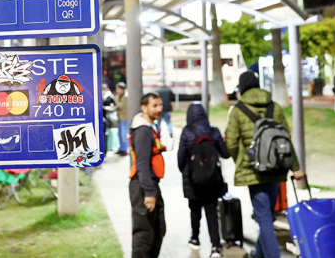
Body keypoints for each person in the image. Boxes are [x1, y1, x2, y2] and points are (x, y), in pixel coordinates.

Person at [226, 72, 303, 258]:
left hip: (255, 171)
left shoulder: (238, 110)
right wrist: (295, 166)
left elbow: (231, 142)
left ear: (241, 88)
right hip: (276, 168)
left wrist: (241, 161)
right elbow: (285, 137)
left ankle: (272, 256)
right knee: (267, 214)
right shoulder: (274, 107)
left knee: (264, 218)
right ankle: (260, 253)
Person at [178, 102, 229, 258]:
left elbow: (181, 157)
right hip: (212, 179)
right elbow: (225, 153)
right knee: (212, 211)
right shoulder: (213, 131)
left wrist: (185, 172)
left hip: (193, 181)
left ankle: (195, 238)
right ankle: (215, 246)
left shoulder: (187, 132)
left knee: (194, 210)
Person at [129, 92, 167, 258]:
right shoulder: (143, 131)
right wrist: (149, 193)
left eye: (160, 105)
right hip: (143, 185)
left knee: (158, 230)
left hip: (150, 183)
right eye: (154, 106)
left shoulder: (150, 128)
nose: (159, 109)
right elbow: (142, 163)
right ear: (144, 108)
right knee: (144, 235)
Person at [116, 82, 130, 156]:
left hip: (124, 118)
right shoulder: (122, 96)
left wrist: (116, 99)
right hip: (120, 118)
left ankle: (125, 149)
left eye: (118, 89)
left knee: (124, 134)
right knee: (120, 134)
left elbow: (121, 106)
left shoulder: (125, 96)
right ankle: (121, 148)